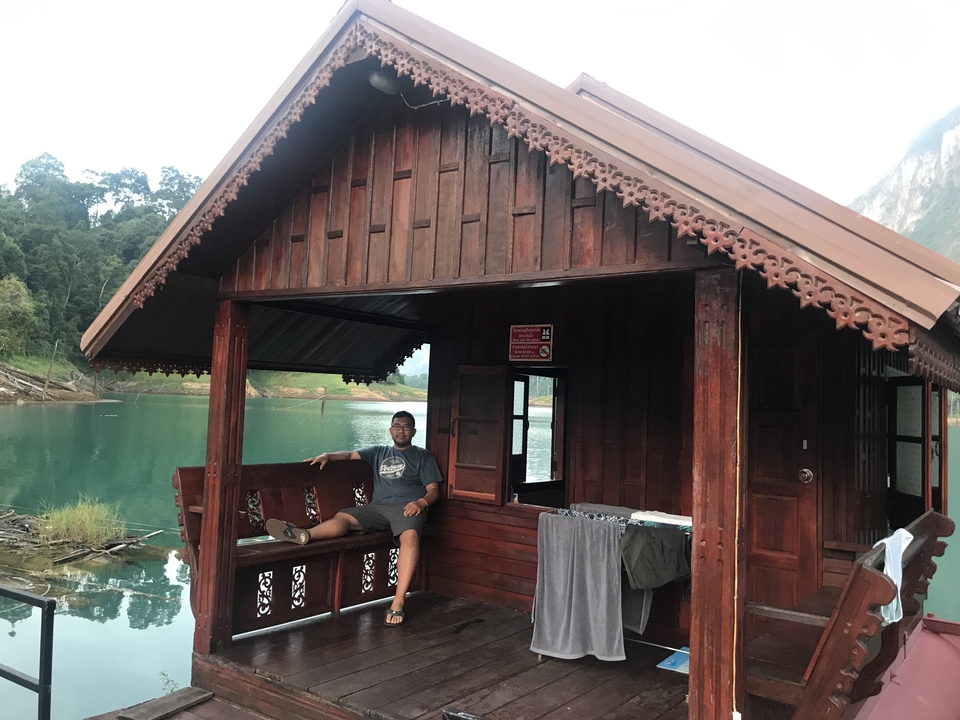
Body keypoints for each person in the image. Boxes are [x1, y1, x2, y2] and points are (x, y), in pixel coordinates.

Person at [265, 410, 442, 626]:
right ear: (390, 430)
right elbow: (350, 455)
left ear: (414, 431)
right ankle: (303, 534)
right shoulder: (378, 452)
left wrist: (420, 503)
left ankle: (398, 601)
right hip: (377, 508)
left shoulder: (423, 456)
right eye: (397, 426)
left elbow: (433, 489)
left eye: (406, 427)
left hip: (408, 508)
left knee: (411, 537)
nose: (401, 430)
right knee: (345, 517)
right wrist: (328, 455)